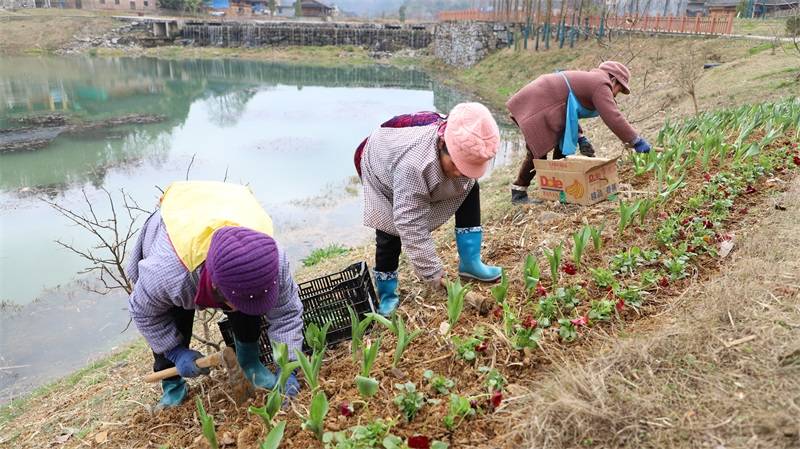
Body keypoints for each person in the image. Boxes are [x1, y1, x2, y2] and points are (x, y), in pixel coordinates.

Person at [127, 181, 304, 409]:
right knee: (176, 321)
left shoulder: (272, 260)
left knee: (247, 308)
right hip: (178, 229)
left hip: (224, 207)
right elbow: (145, 314)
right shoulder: (168, 275)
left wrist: (288, 367)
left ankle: (250, 365)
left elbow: (286, 314)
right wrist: (175, 351)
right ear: (215, 287)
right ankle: (172, 387)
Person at [354, 102, 502, 316]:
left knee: (470, 189)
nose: (462, 173)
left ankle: (470, 262)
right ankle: (387, 292)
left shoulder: (466, 139)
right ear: (443, 144)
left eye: (469, 166)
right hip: (382, 165)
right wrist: (431, 270)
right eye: (458, 164)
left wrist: (464, 170)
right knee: (390, 231)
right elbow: (410, 223)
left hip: (418, 156)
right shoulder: (413, 166)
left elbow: (464, 174)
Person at [506, 60, 652, 204]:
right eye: (619, 90)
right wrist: (635, 140)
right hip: (540, 103)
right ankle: (519, 192)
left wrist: (580, 137)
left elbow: (570, 108)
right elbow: (613, 117)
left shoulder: (592, 80)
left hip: (547, 101)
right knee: (537, 152)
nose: (615, 95)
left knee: (562, 147)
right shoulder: (601, 84)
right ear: (613, 80)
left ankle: (559, 191)